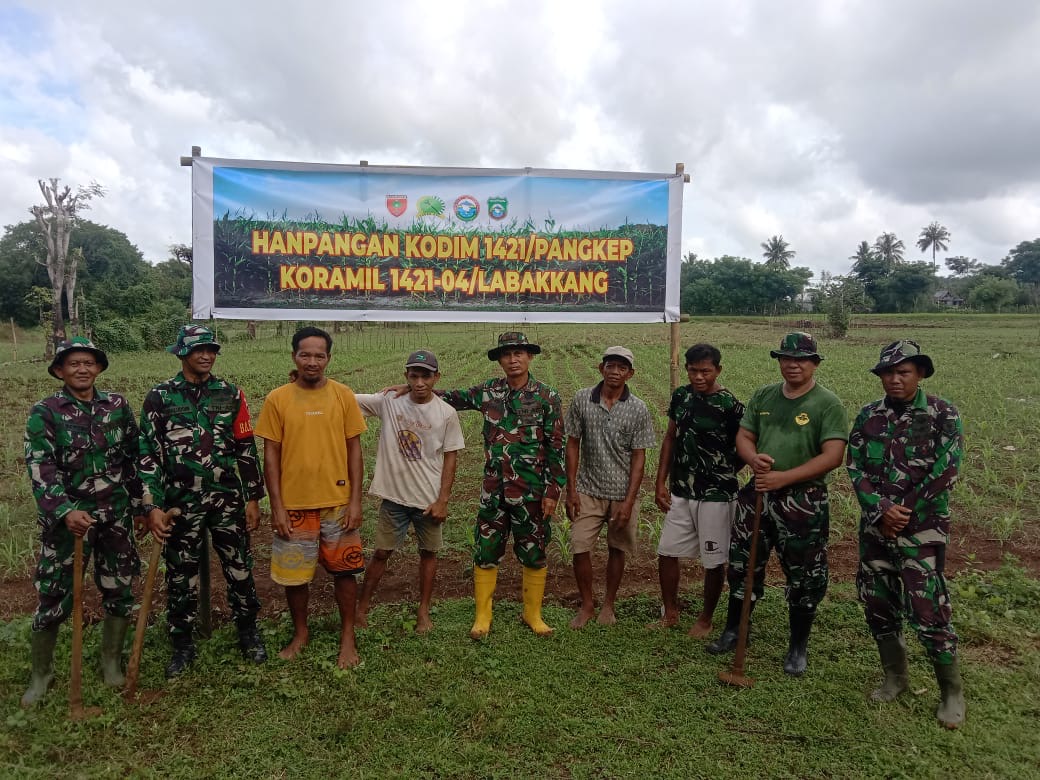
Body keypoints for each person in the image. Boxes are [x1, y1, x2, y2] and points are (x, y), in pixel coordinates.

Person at [707, 332, 847, 677]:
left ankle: (798, 646)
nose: (792, 364)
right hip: (757, 494)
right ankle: (735, 630)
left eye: (800, 359)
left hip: (803, 502)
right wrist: (753, 459)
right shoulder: (764, 396)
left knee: (804, 573)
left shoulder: (827, 404)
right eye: (786, 358)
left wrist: (784, 478)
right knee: (743, 564)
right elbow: (745, 435)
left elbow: (833, 455)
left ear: (814, 363)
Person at [847, 340, 965, 728]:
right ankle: (895, 676)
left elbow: (945, 470)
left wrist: (903, 511)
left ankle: (951, 691)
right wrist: (881, 510)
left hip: (921, 530)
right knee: (878, 603)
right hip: (877, 529)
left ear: (921, 374)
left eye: (904, 372)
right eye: (888, 373)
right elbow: (856, 467)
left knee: (928, 608)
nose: (894, 380)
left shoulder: (942, 414)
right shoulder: (868, 416)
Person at [138, 325, 267, 677]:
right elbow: (147, 456)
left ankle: (248, 632)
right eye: (198, 350)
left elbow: (245, 449)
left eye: (210, 349)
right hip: (180, 504)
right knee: (181, 575)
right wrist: (152, 507)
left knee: (239, 567)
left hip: (226, 499)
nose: (206, 355)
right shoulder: (160, 398)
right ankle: (182, 643)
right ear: (182, 354)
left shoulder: (230, 394)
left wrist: (253, 497)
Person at [22, 337, 143, 706]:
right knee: (55, 594)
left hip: (115, 518)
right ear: (59, 370)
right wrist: (64, 512)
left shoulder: (118, 406)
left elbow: (134, 460)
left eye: (88, 362)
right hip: (69, 523)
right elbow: (40, 469)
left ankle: (111, 661)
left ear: (99, 368)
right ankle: (41, 674)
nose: (82, 369)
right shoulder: (45, 412)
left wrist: (142, 505)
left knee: (119, 590)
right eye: (73, 363)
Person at [255, 326, 368, 669]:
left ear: (328, 359)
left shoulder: (342, 395)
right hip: (294, 507)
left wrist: (355, 500)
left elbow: (355, 450)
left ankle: (347, 636)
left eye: (320, 355)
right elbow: (270, 455)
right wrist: (276, 506)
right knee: (294, 577)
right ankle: (300, 632)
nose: (312, 361)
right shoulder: (278, 399)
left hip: (336, 503)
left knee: (344, 572)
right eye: (305, 354)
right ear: (294, 356)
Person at [441, 332, 566, 638]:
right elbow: (449, 398)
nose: (513, 359)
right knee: (486, 550)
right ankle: (483, 616)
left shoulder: (547, 397)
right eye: (507, 354)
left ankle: (532, 615)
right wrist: (411, 387)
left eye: (519, 353)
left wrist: (553, 491)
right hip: (494, 491)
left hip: (532, 492)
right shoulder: (488, 392)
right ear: (499, 359)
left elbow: (556, 447)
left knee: (534, 551)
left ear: (529, 357)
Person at [354, 350, 465, 634]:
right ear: (406, 376)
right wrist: (310, 383)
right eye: (413, 376)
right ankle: (361, 608)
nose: (419, 382)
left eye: (425, 375)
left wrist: (443, 500)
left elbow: (451, 457)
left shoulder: (446, 413)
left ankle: (423, 611)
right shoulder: (390, 402)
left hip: (429, 501)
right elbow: (345, 398)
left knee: (429, 554)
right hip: (394, 498)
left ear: (436, 377)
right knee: (381, 553)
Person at [654, 344, 744, 637]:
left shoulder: (730, 405)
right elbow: (671, 438)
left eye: (705, 371)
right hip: (682, 490)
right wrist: (660, 482)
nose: (698, 377)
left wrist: (724, 471)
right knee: (667, 551)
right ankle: (670, 612)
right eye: (693, 370)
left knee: (713, 559)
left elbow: (744, 446)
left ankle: (705, 619)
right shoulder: (681, 396)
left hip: (717, 495)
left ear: (718, 370)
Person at [564, 346, 656, 628]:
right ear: (600, 368)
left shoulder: (639, 408)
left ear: (630, 373)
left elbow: (639, 457)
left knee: (617, 549)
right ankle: (587, 604)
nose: (615, 372)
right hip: (588, 490)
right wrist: (571, 491)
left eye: (621, 367)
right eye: (610, 365)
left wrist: (629, 502)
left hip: (622, 493)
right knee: (580, 547)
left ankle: (609, 605)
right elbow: (572, 445)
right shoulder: (582, 399)